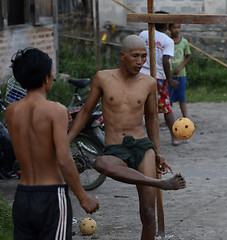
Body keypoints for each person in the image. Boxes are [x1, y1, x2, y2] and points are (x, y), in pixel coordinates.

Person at [68, 35, 186, 240]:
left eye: (143, 57)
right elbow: (86, 111)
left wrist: (157, 152)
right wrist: (67, 139)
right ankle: (158, 183)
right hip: (116, 148)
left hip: (142, 146)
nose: (140, 62)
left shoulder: (149, 82)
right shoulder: (103, 78)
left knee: (148, 213)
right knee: (100, 163)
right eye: (135, 56)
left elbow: (151, 118)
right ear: (123, 56)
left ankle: (153, 183)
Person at [7, 48, 99, 240]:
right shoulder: (56, 110)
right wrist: (83, 197)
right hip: (50, 196)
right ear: (46, 78)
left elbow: (35, 142)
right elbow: (64, 160)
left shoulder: (11, 111)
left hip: (23, 196)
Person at [139, 11, 182, 146]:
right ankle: (174, 138)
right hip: (158, 78)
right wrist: (169, 80)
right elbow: (165, 61)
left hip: (140, 75)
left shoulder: (143, 34)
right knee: (166, 108)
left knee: (138, 106)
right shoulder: (167, 40)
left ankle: (138, 138)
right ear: (167, 24)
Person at [168, 23, 191, 118]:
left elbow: (188, 56)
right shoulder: (167, 41)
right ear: (169, 29)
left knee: (182, 98)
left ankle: (186, 118)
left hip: (180, 75)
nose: (176, 30)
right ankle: (169, 118)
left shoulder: (184, 42)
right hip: (168, 75)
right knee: (169, 99)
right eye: (174, 28)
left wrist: (180, 67)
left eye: (178, 27)